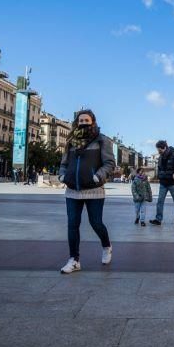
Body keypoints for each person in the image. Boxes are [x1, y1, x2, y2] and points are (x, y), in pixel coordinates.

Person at [58, 109, 115, 273]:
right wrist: (62, 175)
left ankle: (106, 246)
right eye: (80, 121)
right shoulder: (70, 141)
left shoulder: (102, 140)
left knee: (95, 223)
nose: (83, 123)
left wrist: (99, 176)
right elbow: (64, 163)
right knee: (72, 225)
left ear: (93, 122)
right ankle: (74, 260)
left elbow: (110, 163)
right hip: (72, 189)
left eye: (86, 121)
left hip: (94, 189)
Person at [150, 140, 174, 225]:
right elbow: (159, 168)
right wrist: (159, 176)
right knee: (160, 201)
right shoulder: (161, 157)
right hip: (163, 183)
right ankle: (158, 219)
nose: (158, 151)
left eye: (159, 149)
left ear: (164, 147)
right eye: (158, 150)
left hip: (172, 183)